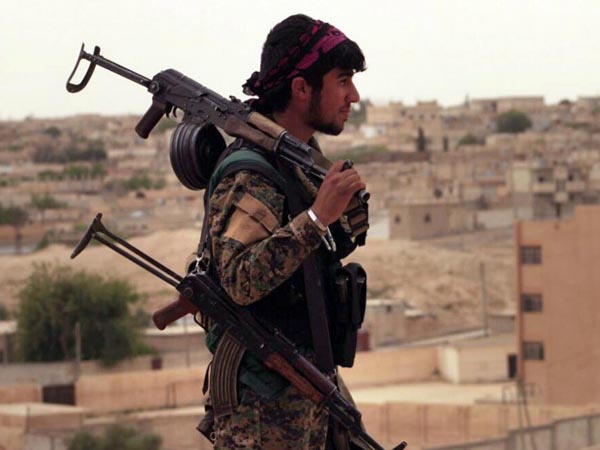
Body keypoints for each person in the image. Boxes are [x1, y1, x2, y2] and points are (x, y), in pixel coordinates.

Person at [205, 14, 367, 450]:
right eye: (342, 81)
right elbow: (239, 279)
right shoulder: (251, 175)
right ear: (301, 88)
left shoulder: (299, 162)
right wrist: (315, 219)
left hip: (306, 389)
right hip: (263, 412)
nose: (353, 95)